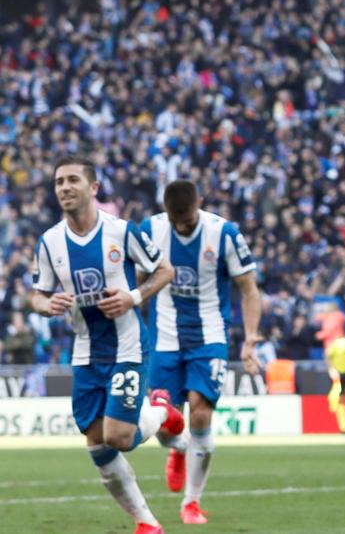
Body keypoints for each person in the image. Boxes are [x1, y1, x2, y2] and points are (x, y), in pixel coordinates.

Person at [29, 156, 180, 534]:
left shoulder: (122, 232)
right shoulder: (49, 242)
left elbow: (165, 271)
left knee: (119, 436)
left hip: (127, 345)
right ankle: (147, 523)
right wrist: (48, 306)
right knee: (97, 444)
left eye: (73, 180)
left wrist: (133, 296)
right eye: (59, 181)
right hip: (85, 352)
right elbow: (37, 295)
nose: (64, 187)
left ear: (93, 188)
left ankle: (161, 410)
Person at [142, 180, 263, 524]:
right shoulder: (150, 230)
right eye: (176, 221)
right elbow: (134, 284)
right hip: (163, 338)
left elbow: (249, 290)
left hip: (209, 337)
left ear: (201, 204)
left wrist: (250, 337)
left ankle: (191, 503)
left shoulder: (224, 233)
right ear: (166, 213)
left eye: (188, 220)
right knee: (164, 424)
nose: (182, 227)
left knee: (199, 415)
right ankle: (180, 450)